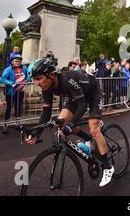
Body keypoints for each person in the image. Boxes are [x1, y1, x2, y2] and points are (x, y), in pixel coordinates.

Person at [26, 58, 114, 187]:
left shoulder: (67, 79)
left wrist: (71, 124)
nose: (36, 83)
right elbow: (46, 112)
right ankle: (88, 139)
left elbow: (83, 106)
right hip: (77, 96)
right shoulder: (46, 87)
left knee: (94, 127)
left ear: (50, 75)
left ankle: (107, 166)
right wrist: (36, 132)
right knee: (60, 124)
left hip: (93, 92)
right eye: (34, 79)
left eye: (38, 78)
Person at [0, 54, 28, 133]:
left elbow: (28, 76)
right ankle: (6, 124)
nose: (17, 62)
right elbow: (3, 79)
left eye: (19, 61)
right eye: (16, 61)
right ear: (12, 62)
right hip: (10, 92)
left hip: (20, 91)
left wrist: (26, 81)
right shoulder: (8, 69)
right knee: (9, 108)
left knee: (18, 107)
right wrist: (11, 83)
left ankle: (17, 123)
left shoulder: (24, 68)